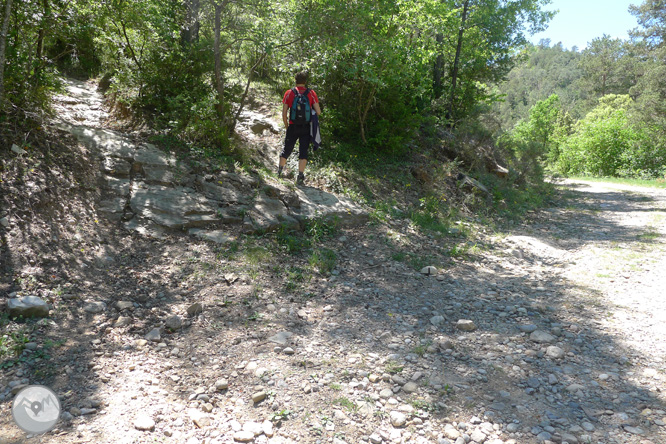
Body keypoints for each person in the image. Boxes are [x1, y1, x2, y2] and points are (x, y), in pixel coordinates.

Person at [279, 71, 322, 185]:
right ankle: (300, 177)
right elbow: (318, 111)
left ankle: (279, 172)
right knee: (303, 152)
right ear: (305, 81)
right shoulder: (311, 93)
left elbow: (284, 113)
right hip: (306, 128)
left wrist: (287, 126)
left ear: (295, 80)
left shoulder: (289, 93)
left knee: (287, 149)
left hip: (293, 126)